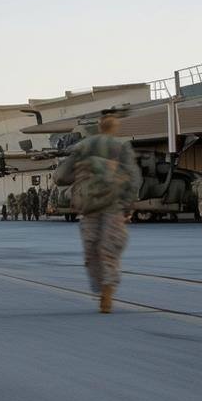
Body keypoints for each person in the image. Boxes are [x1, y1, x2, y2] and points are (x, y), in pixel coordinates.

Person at [53, 113, 141, 314]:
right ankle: (108, 288)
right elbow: (134, 178)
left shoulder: (82, 147)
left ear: (99, 127)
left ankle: (100, 286)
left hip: (89, 206)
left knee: (91, 250)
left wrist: (81, 179)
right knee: (109, 250)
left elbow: (60, 176)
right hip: (113, 206)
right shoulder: (122, 148)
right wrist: (128, 203)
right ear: (114, 129)